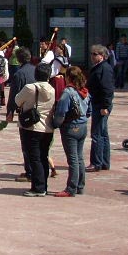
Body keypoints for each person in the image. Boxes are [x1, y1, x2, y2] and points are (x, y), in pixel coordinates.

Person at [14, 62, 56, 197]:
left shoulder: (30, 88)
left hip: (32, 127)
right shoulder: (52, 89)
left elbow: (17, 100)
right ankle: (43, 185)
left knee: (34, 158)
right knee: (43, 156)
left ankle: (38, 188)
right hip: (47, 127)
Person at [52, 65, 91, 198]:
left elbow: (61, 112)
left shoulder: (68, 93)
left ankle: (71, 188)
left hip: (71, 127)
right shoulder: (84, 91)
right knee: (79, 158)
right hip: (83, 126)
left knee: (73, 159)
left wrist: (55, 124)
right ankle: (80, 185)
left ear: (68, 77)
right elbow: (89, 110)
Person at [6, 46, 37, 182]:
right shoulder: (37, 70)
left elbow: (14, 94)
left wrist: (10, 111)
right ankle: (38, 170)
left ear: (18, 59)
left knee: (26, 142)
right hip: (40, 109)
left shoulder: (19, 74)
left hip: (26, 111)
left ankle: (30, 171)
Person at [87, 44, 115, 173]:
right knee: (103, 133)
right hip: (98, 103)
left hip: (101, 104)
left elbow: (107, 89)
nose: (92, 56)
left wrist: (105, 106)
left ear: (102, 56)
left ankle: (96, 162)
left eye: (95, 54)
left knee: (97, 134)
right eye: (92, 54)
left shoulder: (105, 68)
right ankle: (104, 162)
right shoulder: (98, 67)